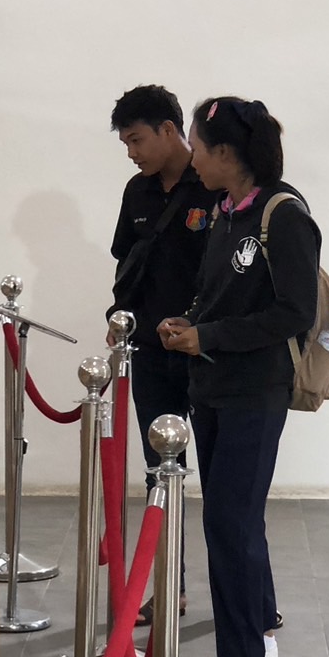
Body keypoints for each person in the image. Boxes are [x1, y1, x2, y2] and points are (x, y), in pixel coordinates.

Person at [159, 96, 319, 657]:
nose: (192, 157)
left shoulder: (284, 215)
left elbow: (293, 312)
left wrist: (212, 337)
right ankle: (255, 640)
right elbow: (220, 295)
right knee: (235, 519)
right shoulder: (225, 212)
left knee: (230, 521)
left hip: (255, 390)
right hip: (215, 388)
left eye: (198, 147)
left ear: (226, 152)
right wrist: (190, 323)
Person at [108, 85, 219, 623]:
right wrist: (119, 316)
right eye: (126, 144)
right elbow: (127, 263)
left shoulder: (215, 187)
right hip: (151, 353)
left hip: (210, 353)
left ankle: (251, 602)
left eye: (137, 140)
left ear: (169, 130)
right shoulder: (137, 192)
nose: (132, 153)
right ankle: (170, 588)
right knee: (161, 475)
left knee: (224, 481)